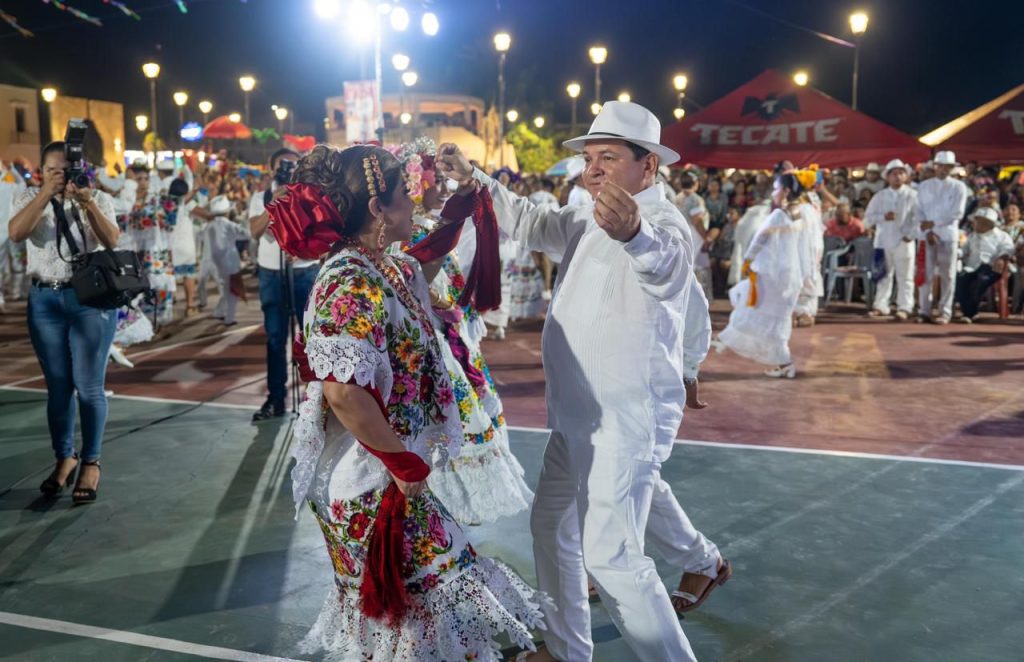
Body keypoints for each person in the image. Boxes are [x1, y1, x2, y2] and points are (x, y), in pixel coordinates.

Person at [439, 100, 714, 662]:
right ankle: (566, 650)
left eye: (608, 157)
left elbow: (668, 272)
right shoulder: (587, 216)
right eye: (590, 157)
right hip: (574, 414)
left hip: (623, 417)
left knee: (612, 558)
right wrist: (476, 179)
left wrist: (635, 235)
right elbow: (533, 223)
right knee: (552, 527)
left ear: (649, 167)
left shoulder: (662, 225)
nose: (593, 169)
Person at [270, 144, 545, 661]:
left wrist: (464, 206)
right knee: (420, 607)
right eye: (404, 193)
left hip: (385, 474)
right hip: (365, 483)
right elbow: (343, 392)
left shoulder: (382, 266)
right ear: (378, 209)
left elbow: (426, 263)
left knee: (418, 619)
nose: (414, 201)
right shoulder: (347, 281)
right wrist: (401, 460)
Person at [390, 138, 534, 525]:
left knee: (465, 414)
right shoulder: (406, 234)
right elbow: (416, 290)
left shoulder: (430, 227)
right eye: (435, 182)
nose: (441, 189)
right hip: (430, 346)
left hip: (453, 340)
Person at [8, 140, 121, 504]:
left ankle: (91, 461)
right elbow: (15, 234)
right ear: (42, 171)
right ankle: (64, 457)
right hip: (44, 300)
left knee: (89, 387)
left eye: (68, 169)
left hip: (88, 300)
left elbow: (112, 239)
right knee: (58, 388)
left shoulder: (97, 198)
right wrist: (46, 193)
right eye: (54, 170)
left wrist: (85, 200)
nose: (62, 176)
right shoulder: (28, 196)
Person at [713, 170, 814, 379]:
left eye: (776, 189)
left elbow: (760, 239)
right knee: (775, 319)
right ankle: (781, 362)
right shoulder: (805, 213)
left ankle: (731, 340)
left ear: (786, 191)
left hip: (772, 275)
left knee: (752, 309)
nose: (774, 193)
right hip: (791, 278)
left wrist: (747, 260)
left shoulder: (779, 215)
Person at [248, 149, 320, 421]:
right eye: (282, 166)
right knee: (276, 338)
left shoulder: (310, 196)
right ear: (271, 170)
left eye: (292, 165)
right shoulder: (261, 197)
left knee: (312, 337)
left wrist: (303, 251)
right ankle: (276, 398)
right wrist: (273, 204)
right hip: (271, 273)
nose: (287, 170)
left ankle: (317, 398)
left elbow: (323, 238)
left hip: (303, 272)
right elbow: (254, 232)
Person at [914, 150, 969, 324]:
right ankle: (924, 310)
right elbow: (918, 210)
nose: (943, 169)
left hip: (948, 235)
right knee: (925, 273)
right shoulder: (924, 186)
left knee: (948, 275)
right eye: (940, 166)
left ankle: (945, 312)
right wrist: (928, 230)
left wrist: (934, 225)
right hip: (927, 235)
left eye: (947, 166)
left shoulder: (959, 187)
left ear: (952, 168)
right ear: (935, 166)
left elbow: (957, 213)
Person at [864, 159, 918, 320]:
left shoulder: (913, 195)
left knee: (905, 276)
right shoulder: (880, 196)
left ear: (906, 176)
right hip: (883, 240)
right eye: (894, 174)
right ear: (887, 177)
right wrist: (883, 217)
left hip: (905, 240)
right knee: (883, 276)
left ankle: (905, 307)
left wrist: (911, 234)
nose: (897, 177)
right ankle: (881, 306)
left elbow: (919, 218)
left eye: (901, 173)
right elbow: (867, 219)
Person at [956, 206, 1015, 323]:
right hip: (971, 268)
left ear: (989, 223)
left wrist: (1002, 258)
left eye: (979, 222)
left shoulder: (1001, 236)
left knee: (980, 281)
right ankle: (969, 312)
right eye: (975, 221)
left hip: (991, 268)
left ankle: (969, 313)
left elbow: (1008, 249)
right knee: (960, 281)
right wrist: (956, 253)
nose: (975, 224)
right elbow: (964, 250)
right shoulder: (972, 236)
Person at [204, 195, 247, 326]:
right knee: (233, 290)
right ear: (227, 211)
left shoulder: (207, 226)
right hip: (230, 262)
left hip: (213, 262)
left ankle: (219, 312)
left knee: (224, 288)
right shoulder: (230, 225)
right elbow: (246, 234)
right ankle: (229, 318)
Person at [676, 173, 713, 301]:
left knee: (685, 265)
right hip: (695, 234)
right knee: (699, 266)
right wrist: (706, 237)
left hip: (680, 232)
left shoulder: (678, 197)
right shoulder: (696, 199)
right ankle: (698, 299)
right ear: (696, 183)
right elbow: (697, 220)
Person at [0, 160, 28, 312]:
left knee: (2, 266)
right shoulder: (9, 187)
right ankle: (18, 292)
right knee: (18, 260)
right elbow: (22, 183)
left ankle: (1, 298)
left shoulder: (8, 187)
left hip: (4, 232)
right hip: (12, 230)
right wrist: (12, 170)